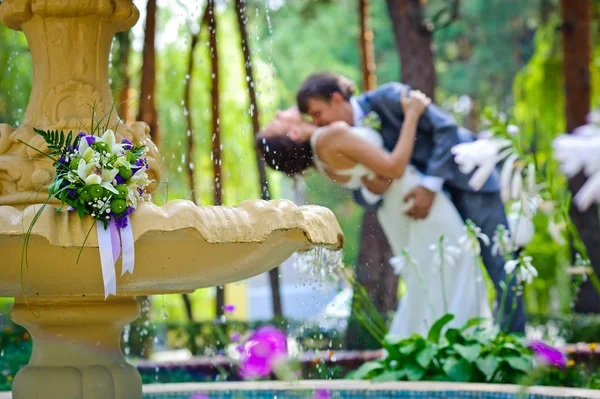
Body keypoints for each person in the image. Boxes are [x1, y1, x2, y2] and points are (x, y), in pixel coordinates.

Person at [292, 73, 525, 334]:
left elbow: (446, 128)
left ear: (336, 99)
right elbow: (360, 191)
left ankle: (515, 344)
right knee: (450, 272)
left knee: (501, 266)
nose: (317, 122)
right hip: (434, 210)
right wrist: (371, 190)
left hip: (469, 180)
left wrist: (430, 186)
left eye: (317, 113)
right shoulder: (343, 137)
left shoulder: (390, 96)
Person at [257, 91, 491, 337]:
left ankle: (433, 347)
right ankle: (456, 345)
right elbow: (393, 168)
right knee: (454, 269)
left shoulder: (320, 154)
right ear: (293, 134)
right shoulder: (329, 137)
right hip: (416, 199)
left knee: (429, 278)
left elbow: (370, 181)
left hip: (395, 209)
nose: (278, 113)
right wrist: (412, 115)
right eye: (276, 122)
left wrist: (373, 188)